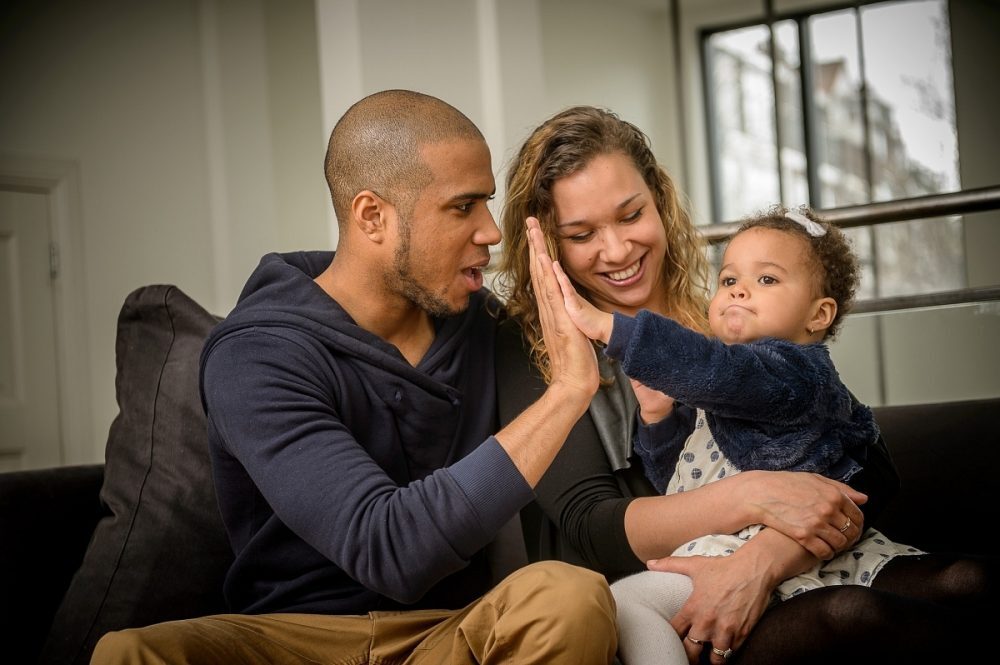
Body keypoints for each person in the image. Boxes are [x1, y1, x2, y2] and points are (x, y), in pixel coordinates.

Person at [91, 90, 618, 665]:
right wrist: (568, 391)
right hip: (295, 641)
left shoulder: (483, 327)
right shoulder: (255, 355)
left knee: (569, 597)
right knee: (128, 653)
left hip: (453, 634)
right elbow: (388, 549)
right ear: (373, 216)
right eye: (463, 206)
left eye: (486, 204)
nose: (490, 231)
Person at [493, 105, 993, 664]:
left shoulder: (723, 307)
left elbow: (864, 458)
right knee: (849, 619)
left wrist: (765, 560)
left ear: (659, 199)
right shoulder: (531, 348)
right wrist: (751, 495)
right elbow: (593, 527)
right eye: (581, 234)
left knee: (895, 604)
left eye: (631, 215)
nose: (616, 250)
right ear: (550, 245)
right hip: (643, 605)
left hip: (774, 570)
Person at [549, 205, 933, 665]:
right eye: (729, 280)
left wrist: (612, 329)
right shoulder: (726, 391)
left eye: (766, 280)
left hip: (766, 548)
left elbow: (721, 370)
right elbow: (683, 479)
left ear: (819, 315)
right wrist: (659, 419)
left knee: (625, 605)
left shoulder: (794, 375)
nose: (739, 291)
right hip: (733, 549)